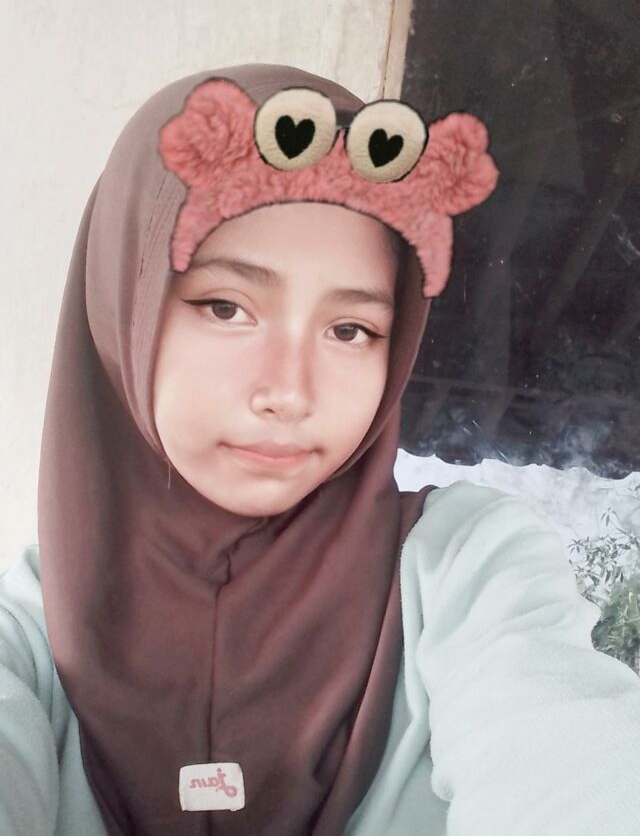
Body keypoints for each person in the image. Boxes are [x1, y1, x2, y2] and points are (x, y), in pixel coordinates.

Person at [1, 63, 639, 836]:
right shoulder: (26, 636)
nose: (290, 391)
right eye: (226, 306)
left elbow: (568, 756)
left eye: (350, 329)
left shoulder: (465, 571)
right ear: (121, 310)